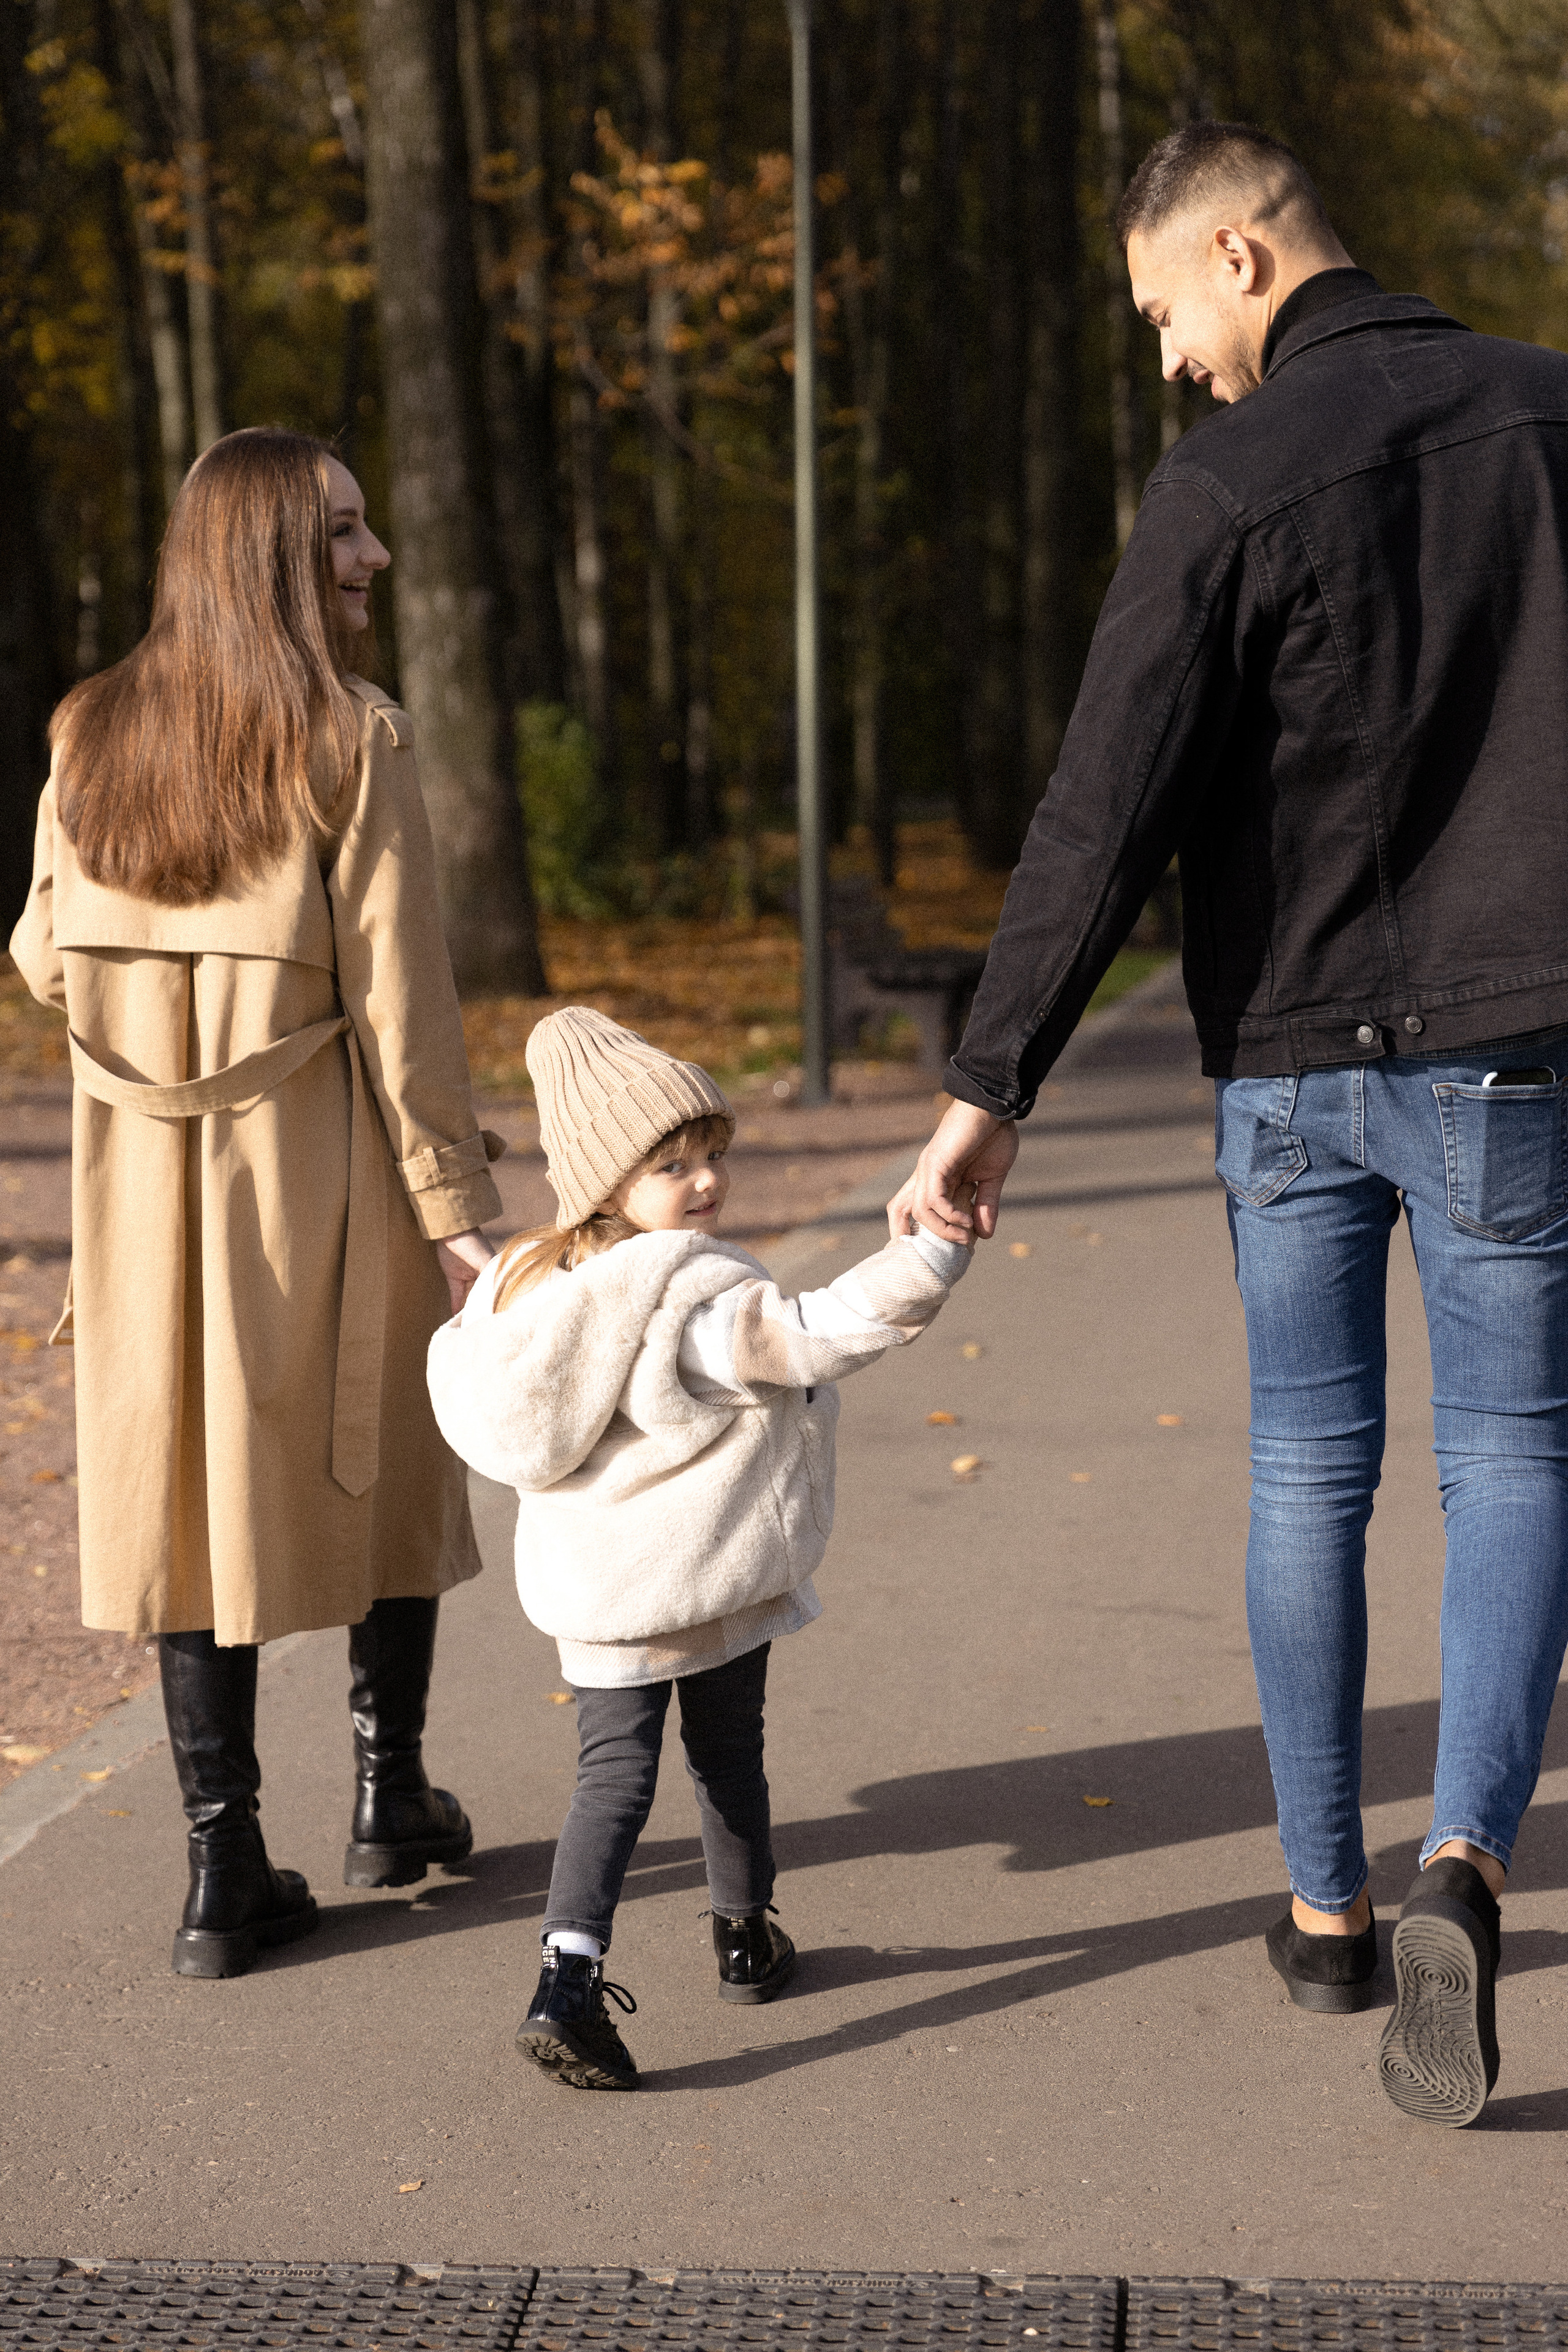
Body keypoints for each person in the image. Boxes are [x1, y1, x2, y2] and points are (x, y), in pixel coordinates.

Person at [893, 119, 1568, 2129]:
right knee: (1522, 1449)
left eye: (1169, 309)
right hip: (1518, 1047)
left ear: (1246, 255)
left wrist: (986, 1088)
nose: (1174, 356)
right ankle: (1466, 1856)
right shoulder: (1551, 423)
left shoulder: (1233, 478)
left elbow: (1109, 801)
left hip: (1289, 1067)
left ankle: (1328, 1913)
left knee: (1304, 1463)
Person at [10, 427, 502, 1980]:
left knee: (180, 1494)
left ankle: (223, 1867)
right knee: (386, 1461)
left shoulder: (91, 729)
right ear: (269, 554)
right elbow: (405, 1007)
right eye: (341, 535)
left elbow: (36, 955)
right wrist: (457, 1218)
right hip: (321, 1175)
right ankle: (388, 1793)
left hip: (139, 1196)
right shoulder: (355, 735)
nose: (370, 559)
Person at [426, 1006, 971, 2089]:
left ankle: (565, 1976)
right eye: (670, 1164)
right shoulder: (682, 1299)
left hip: (600, 1598)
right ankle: (743, 1936)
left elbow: (482, 1328)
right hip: (710, 1572)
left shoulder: (528, 1289)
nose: (704, 1182)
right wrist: (929, 1261)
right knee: (728, 1756)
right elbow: (807, 1333)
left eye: (711, 1154)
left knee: (610, 1779)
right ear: (605, 1186)